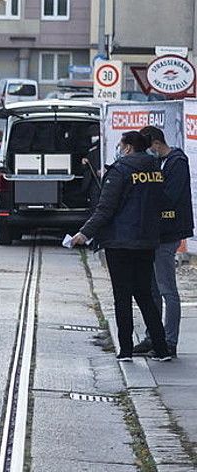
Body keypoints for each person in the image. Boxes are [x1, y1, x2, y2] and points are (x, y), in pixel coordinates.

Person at [69, 130, 172, 362]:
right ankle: (161, 347)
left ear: (127, 148)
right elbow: (161, 201)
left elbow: (105, 209)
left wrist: (84, 234)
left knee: (122, 296)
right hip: (146, 241)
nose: (118, 149)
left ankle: (125, 350)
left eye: (120, 145)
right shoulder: (155, 169)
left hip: (121, 242)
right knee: (145, 294)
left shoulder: (121, 171)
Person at [135, 126, 192, 357]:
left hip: (168, 233)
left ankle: (169, 341)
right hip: (154, 233)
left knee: (167, 288)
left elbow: (169, 196)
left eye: (148, 149)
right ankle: (154, 336)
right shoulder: (159, 163)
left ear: (156, 144)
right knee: (152, 288)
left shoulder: (176, 162)